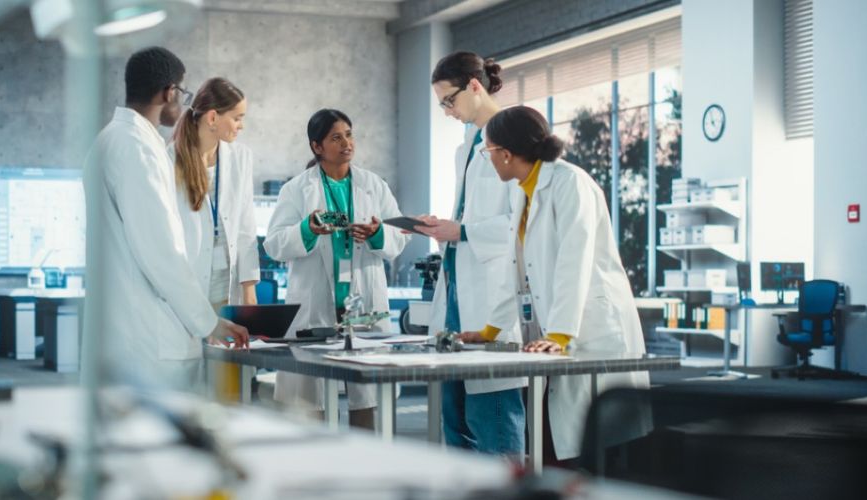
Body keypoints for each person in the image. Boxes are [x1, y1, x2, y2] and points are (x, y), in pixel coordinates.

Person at [475, 105, 650, 464]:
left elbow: (576, 260)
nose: (488, 158)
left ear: (506, 154)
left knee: (592, 443)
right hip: (557, 333)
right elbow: (517, 269)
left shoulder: (569, 183)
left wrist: (559, 334)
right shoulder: (524, 190)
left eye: (488, 150)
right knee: (553, 438)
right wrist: (491, 329)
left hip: (592, 330)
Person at [83, 47, 248, 395]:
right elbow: (160, 251)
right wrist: (208, 323)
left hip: (123, 330)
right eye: (182, 93)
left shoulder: (109, 140)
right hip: (148, 338)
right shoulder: (139, 148)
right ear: (169, 92)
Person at [263, 109, 407, 429]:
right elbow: (273, 244)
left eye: (349, 134)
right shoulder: (296, 189)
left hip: (363, 303)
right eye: (336, 137)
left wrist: (378, 233)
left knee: (367, 397)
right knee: (311, 399)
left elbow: (399, 237)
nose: (347, 143)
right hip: (315, 304)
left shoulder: (374, 185)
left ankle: (366, 469)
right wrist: (307, 229)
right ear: (317, 147)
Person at [415, 51, 527, 459]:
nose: (446, 112)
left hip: (491, 297)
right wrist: (444, 227)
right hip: (458, 296)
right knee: (455, 423)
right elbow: (472, 216)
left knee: (494, 421)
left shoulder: (514, 135)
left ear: (474, 86)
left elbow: (520, 227)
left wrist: (460, 230)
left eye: (449, 101)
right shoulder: (466, 146)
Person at [169, 77, 260, 400]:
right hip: (190, 288)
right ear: (212, 118)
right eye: (236, 118)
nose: (241, 126)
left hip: (227, 287)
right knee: (190, 388)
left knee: (230, 387)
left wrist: (250, 291)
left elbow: (247, 226)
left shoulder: (240, 157)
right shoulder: (170, 160)